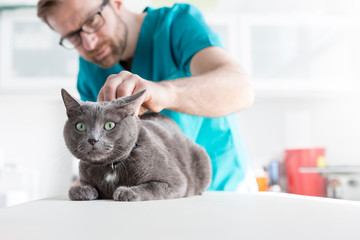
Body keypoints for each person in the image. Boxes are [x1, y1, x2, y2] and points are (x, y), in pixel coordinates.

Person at [37, 0, 257, 192]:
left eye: (91, 22)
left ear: (117, 2)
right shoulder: (89, 68)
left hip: (218, 188)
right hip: (148, 196)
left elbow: (241, 89)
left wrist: (163, 92)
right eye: (72, 37)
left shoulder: (176, 24)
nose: (89, 44)